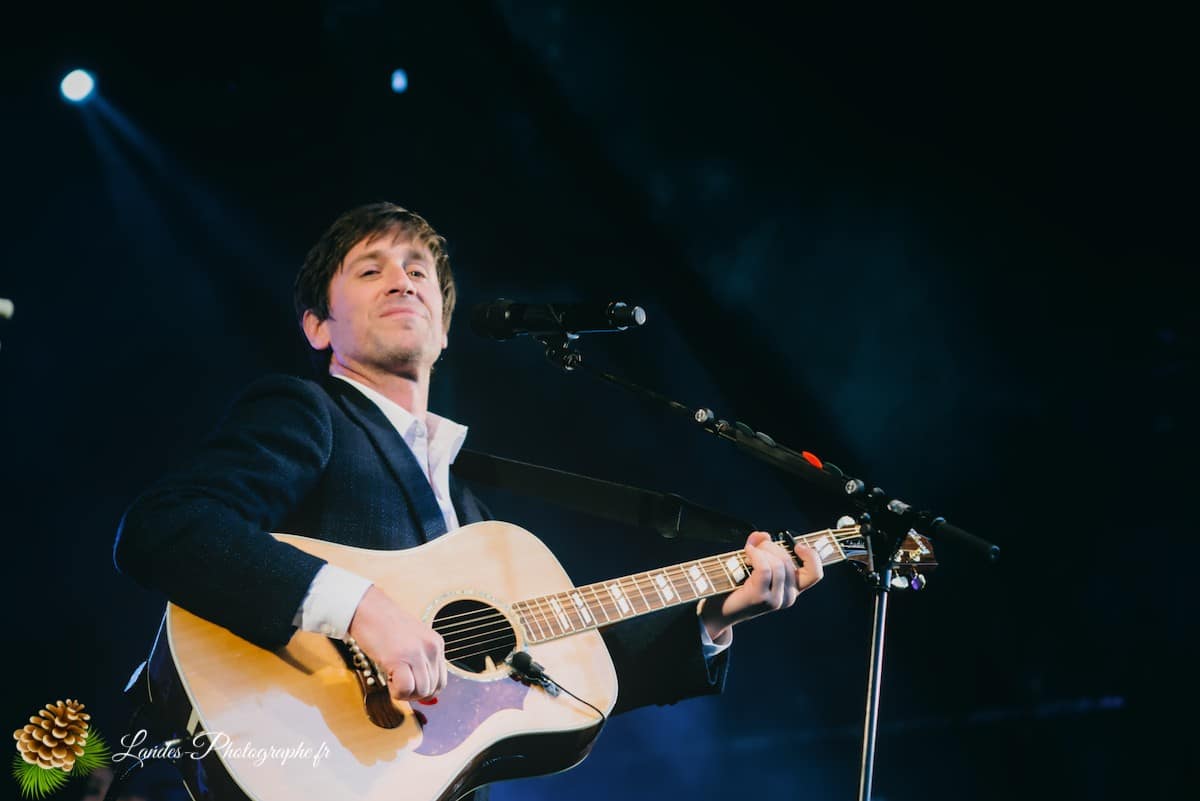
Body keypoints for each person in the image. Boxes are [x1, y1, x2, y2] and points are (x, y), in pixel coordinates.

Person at [113, 202, 824, 799]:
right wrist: (363, 608)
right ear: (317, 327)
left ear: (445, 329)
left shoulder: (470, 516)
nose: (403, 278)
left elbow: (574, 668)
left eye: (418, 270)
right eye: (371, 269)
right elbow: (166, 527)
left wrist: (717, 611)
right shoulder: (307, 411)